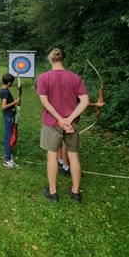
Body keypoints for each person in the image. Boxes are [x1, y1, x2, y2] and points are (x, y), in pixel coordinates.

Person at [37, 47, 90, 203]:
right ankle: (75, 193)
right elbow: (85, 101)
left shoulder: (43, 77)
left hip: (52, 123)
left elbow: (44, 101)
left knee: (52, 156)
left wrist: (61, 119)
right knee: (73, 157)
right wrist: (69, 119)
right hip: (71, 124)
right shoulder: (75, 77)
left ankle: (53, 193)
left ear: (50, 59)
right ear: (64, 60)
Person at [0, 73, 21, 168]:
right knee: (8, 137)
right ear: (8, 83)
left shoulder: (5, 90)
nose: (12, 84)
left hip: (10, 115)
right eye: (11, 83)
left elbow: (9, 102)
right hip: (8, 116)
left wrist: (18, 94)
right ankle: (7, 159)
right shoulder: (5, 92)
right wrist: (15, 102)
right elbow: (4, 106)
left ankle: (8, 154)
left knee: (10, 135)